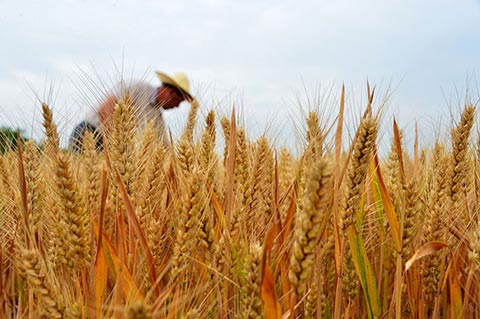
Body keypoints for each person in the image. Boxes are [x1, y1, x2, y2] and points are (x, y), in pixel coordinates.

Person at [69, 71, 193, 152]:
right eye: (180, 101)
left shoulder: (157, 118)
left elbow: (164, 147)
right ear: (172, 94)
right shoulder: (136, 87)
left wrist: (178, 167)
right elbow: (106, 110)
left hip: (112, 150)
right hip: (88, 134)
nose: (177, 106)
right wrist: (122, 148)